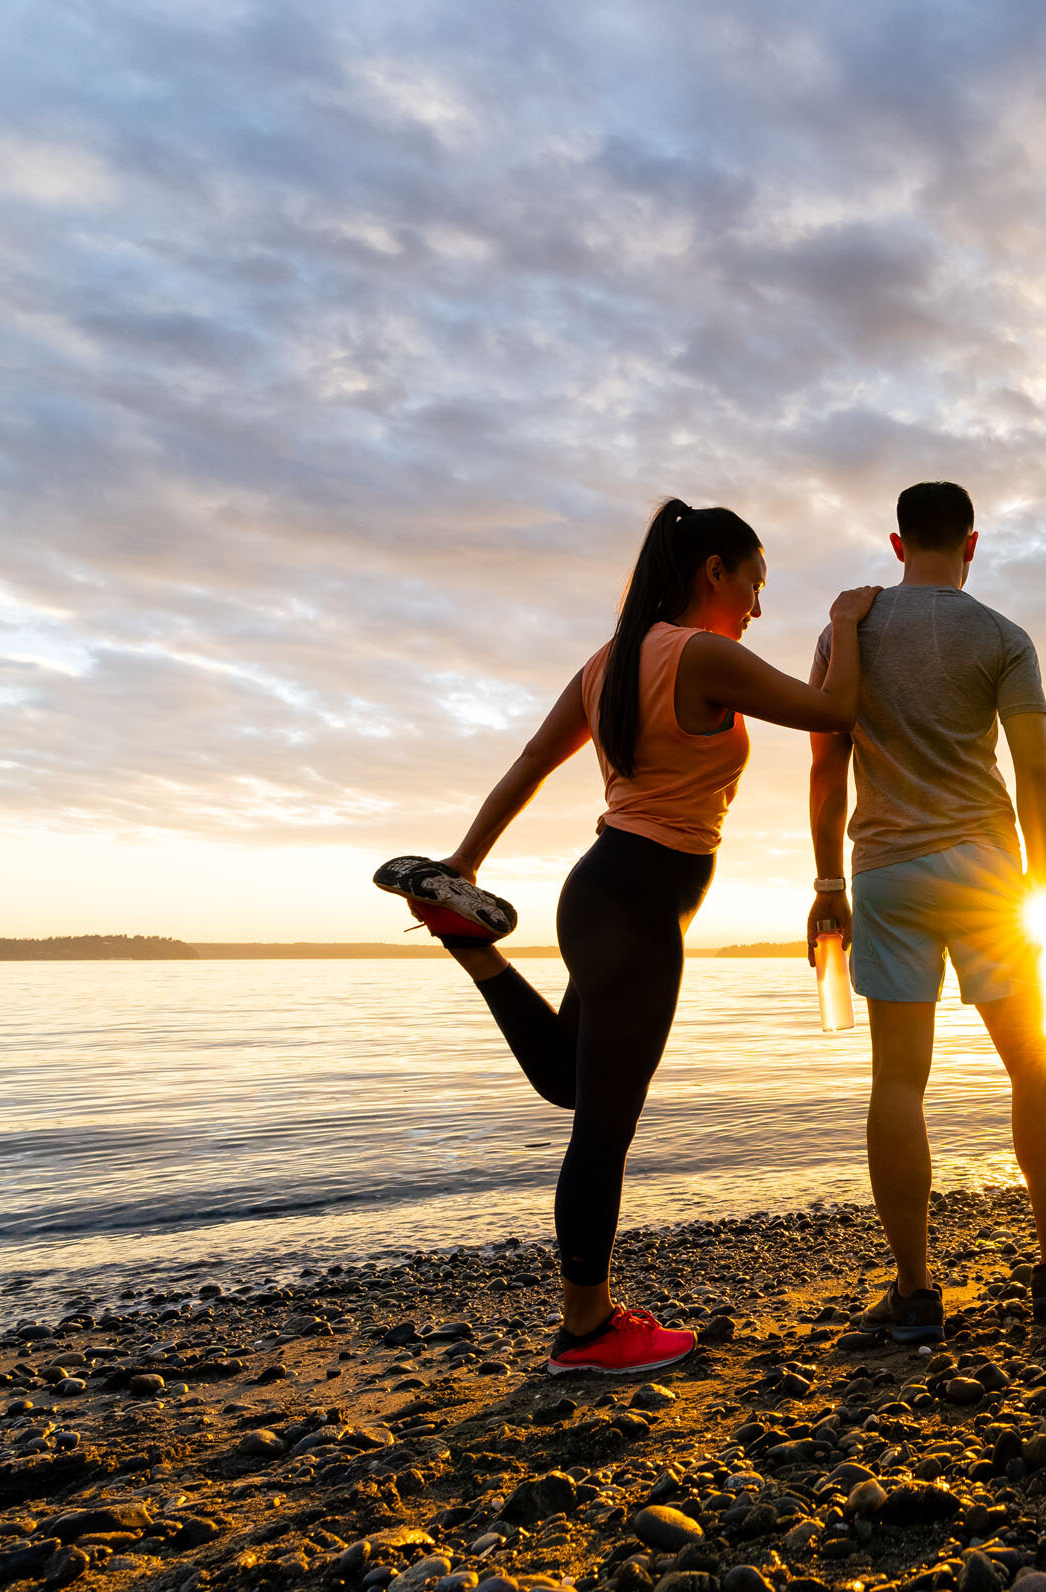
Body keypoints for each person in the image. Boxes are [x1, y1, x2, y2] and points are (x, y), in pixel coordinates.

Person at [375, 499, 879, 1376]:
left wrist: (465, 861)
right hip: (639, 903)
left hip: (601, 889)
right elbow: (837, 710)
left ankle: (469, 939)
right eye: (755, 584)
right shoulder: (703, 654)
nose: (758, 606)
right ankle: (587, 1331)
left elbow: (531, 761)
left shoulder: (606, 663)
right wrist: (842, 622)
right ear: (713, 572)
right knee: (601, 1129)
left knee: (569, 1085)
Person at [808, 481, 1046, 1343]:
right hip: (987, 872)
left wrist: (828, 885)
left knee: (899, 1081)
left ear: (899, 544)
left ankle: (914, 1296)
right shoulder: (1004, 638)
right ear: (971, 544)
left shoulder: (849, 629)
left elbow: (825, 772)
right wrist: (1042, 888)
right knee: (1030, 1062)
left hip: (886, 873)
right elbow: (1037, 774)